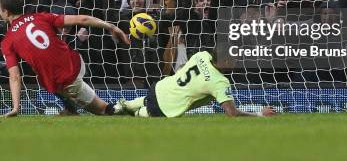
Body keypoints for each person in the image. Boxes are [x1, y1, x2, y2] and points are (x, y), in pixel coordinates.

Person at [0, 0, 130, 117]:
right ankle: (70, 109)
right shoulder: (42, 16)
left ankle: (140, 107)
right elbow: (82, 19)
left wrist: (15, 108)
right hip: (75, 60)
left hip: (67, 79)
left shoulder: (7, 41)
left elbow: (15, 76)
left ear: (6, 12)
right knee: (44, 75)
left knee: (105, 110)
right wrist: (111, 27)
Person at [115, 51, 276, 118]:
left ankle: (118, 106)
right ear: (224, 62)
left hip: (160, 87)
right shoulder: (220, 82)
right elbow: (232, 113)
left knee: (142, 102)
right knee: (139, 114)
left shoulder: (202, 55)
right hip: (167, 107)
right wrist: (260, 115)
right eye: (234, 60)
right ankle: (126, 111)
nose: (237, 63)